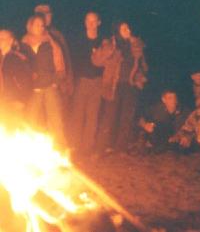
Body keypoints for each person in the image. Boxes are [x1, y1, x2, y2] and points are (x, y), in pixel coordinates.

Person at [96, 21, 148, 152]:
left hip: (130, 84)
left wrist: (140, 78)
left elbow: (143, 65)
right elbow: (98, 61)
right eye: (124, 28)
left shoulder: (135, 44)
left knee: (127, 117)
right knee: (110, 116)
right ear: (117, 30)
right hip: (113, 84)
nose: (128, 30)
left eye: (128, 28)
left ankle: (121, 147)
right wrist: (110, 50)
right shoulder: (110, 44)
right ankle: (102, 146)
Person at [22, 14, 66, 146]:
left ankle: (60, 150)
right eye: (37, 25)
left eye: (42, 25)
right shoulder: (23, 44)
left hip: (49, 86)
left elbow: (60, 64)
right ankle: (30, 150)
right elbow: (20, 66)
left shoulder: (50, 43)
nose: (40, 27)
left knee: (55, 121)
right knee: (31, 120)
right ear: (30, 26)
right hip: (33, 88)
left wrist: (55, 82)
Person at [68, 12, 105, 156]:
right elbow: (73, 61)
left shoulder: (103, 41)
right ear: (84, 22)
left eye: (94, 21)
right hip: (82, 81)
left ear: (99, 23)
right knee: (77, 115)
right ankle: (74, 146)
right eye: (88, 21)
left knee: (92, 117)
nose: (91, 24)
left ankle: (87, 148)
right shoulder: (78, 40)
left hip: (97, 83)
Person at [34, 4, 74, 99]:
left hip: (56, 84)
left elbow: (65, 59)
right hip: (36, 86)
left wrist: (68, 81)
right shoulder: (29, 37)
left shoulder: (56, 35)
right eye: (44, 15)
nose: (48, 17)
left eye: (49, 14)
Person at [0, 29, 32, 118]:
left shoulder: (16, 58)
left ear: (10, 41)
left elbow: (25, 80)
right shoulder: (1, 58)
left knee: (13, 127)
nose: (0, 40)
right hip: (3, 100)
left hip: (14, 101)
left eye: (2, 38)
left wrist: (21, 99)